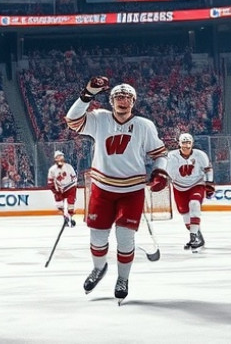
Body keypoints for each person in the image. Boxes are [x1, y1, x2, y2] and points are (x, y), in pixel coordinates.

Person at [65, 77, 168, 304]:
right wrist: (87, 94)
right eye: (119, 97)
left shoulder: (144, 125)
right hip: (102, 188)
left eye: (128, 97)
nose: (123, 101)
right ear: (111, 101)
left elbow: (160, 154)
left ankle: (123, 279)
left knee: (125, 237)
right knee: (98, 237)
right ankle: (99, 269)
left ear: (134, 101)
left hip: (132, 190)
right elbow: (72, 120)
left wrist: (161, 171)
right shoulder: (99, 118)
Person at [165, 133, 214, 252]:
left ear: (192, 143)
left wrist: (209, 183)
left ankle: (193, 237)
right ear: (179, 144)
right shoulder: (172, 156)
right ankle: (197, 235)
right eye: (183, 143)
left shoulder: (200, 155)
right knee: (185, 215)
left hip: (196, 184)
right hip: (179, 187)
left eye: (188, 143)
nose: (186, 146)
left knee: (194, 204)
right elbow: (167, 173)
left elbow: (208, 169)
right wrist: (162, 180)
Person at [47, 150, 77, 227]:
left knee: (71, 203)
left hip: (70, 187)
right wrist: (55, 190)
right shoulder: (52, 170)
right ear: (55, 159)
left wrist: (73, 186)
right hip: (60, 189)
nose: (60, 158)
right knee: (59, 205)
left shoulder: (69, 167)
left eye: (61, 156)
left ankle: (69, 217)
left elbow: (74, 178)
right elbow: (50, 182)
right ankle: (66, 217)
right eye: (58, 157)